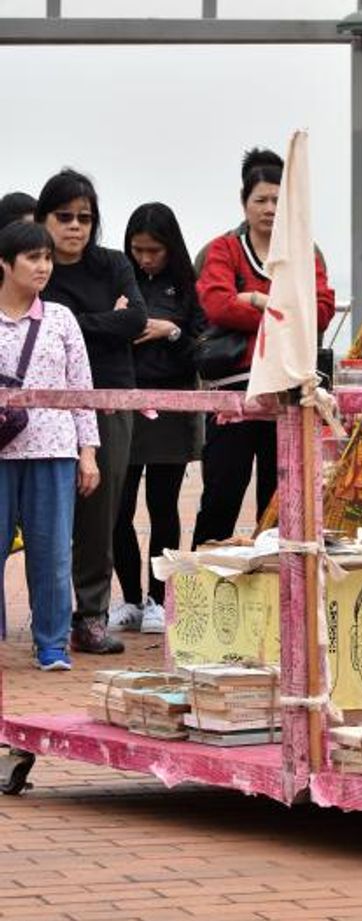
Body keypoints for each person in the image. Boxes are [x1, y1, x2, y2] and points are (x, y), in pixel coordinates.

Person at [191, 148, 335, 545]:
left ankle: (279, 596)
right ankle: (204, 595)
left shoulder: (307, 251)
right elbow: (218, 305)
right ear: (244, 202)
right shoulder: (222, 249)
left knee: (281, 503)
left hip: (289, 393)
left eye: (278, 200)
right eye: (261, 200)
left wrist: (253, 300)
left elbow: (321, 311)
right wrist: (286, 312)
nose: (270, 208)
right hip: (234, 394)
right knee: (220, 498)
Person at [36, 169, 147, 655]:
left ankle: (92, 615)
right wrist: (106, 321)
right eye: (64, 216)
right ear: (43, 219)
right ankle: (50, 619)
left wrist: (67, 323)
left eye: (85, 217)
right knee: (45, 515)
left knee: (102, 513)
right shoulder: (34, 267)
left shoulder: (113, 263)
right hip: (47, 404)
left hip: (108, 397)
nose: (75, 226)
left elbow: (136, 319)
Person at [0, 221, 100, 671]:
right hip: (1, 452)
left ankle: (52, 646)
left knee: (53, 553)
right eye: (32, 258)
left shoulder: (61, 318)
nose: (43, 267)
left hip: (55, 451)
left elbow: (82, 388)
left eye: (46, 258)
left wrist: (89, 452)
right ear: (5, 263)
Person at [109, 203, 205, 635]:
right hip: (125, 402)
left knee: (163, 505)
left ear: (171, 248)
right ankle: (128, 598)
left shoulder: (188, 287)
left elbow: (203, 349)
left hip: (171, 406)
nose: (146, 259)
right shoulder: (117, 280)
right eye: (138, 249)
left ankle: (159, 599)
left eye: (154, 250)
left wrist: (172, 331)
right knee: (118, 507)